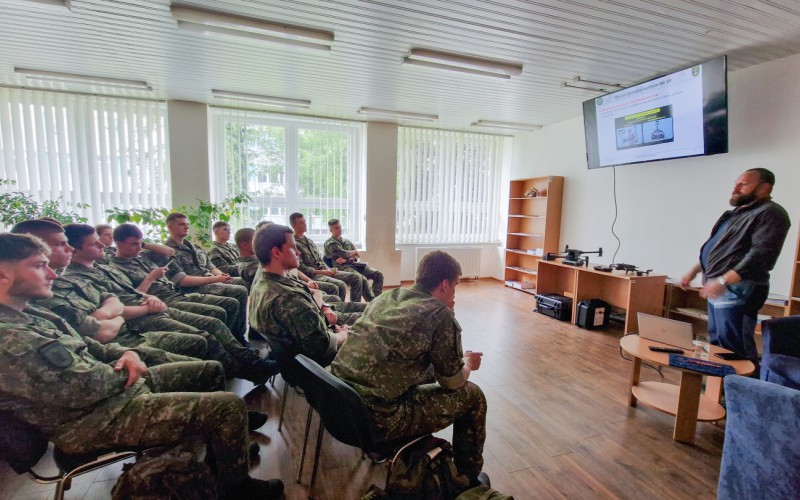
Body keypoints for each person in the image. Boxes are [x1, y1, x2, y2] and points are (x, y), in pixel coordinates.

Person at [0, 233, 283, 499]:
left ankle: (220, 460)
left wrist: (128, 354)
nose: (51, 273)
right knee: (228, 406)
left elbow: (93, 346)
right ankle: (238, 489)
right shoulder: (11, 339)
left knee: (209, 369)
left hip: (114, 394)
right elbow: (85, 387)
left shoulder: (30, 314)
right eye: (39, 266)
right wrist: (128, 365)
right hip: (91, 421)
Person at [331, 250, 488, 487]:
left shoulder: (387, 296)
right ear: (445, 284)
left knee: (425, 372)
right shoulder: (439, 313)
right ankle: (467, 478)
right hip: (378, 419)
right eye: (455, 285)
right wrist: (466, 364)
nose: (455, 291)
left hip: (341, 405)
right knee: (473, 395)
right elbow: (453, 382)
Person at [108, 223, 279, 383]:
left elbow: (169, 252)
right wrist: (151, 277)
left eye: (140, 244)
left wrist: (142, 245)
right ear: (118, 244)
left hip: (174, 295)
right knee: (212, 324)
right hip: (161, 305)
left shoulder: (141, 258)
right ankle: (250, 367)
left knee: (223, 310)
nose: (138, 248)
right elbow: (132, 297)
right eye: (133, 244)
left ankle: (243, 354)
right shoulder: (114, 269)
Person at [680, 168, 791, 363]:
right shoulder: (736, 214)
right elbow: (718, 249)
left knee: (734, 345)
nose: (736, 187)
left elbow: (760, 255)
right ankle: (720, 387)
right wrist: (693, 271)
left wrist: (723, 280)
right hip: (719, 286)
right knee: (717, 341)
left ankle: (741, 389)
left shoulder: (771, 214)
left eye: (744, 184)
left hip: (739, 288)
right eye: (736, 183)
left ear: (765, 187)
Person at [249, 224, 362, 365]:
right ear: (276, 252)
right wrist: (343, 334)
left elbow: (309, 298)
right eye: (293, 247)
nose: (298, 252)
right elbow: (322, 346)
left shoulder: (264, 283)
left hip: (311, 344)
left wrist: (328, 313)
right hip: (321, 363)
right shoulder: (289, 298)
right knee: (372, 320)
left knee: (367, 309)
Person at [161, 213, 250, 344]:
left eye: (187, 224)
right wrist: (216, 279)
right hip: (192, 289)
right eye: (181, 224)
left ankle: (238, 333)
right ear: (169, 227)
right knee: (237, 293)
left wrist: (221, 275)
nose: (186, 227)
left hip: (209, 281)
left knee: (242, 284)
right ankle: (230, 339)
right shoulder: (167, 251)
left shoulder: (194, 247)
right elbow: (182, 281)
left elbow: (210, 265)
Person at [290, 212, 367, 302]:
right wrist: (323, 271)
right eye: (301, 223)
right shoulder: (293, 244)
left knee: (356, 278)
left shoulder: (309, 241)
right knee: (340, 285)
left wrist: (328, 269)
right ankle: (338, 310)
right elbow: (301, 268)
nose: (305, 224)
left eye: (305, 221)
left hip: (324, 270)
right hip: (313, 275)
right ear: (293, 225)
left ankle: (354, 306)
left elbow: (319, 260)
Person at [324, 218, 383, 298]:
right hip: (342, 268)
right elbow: (344, 253)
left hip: (355, 265)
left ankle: (377, 299)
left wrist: (350, 257)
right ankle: (367, 303)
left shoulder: (347, 241)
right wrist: (353, 253)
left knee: (378, 274)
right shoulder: (330, 243)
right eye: (337, 228)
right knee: (362, 279)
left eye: (340, 227)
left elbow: (357, 255)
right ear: (331, 230)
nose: (340, 229)